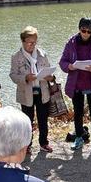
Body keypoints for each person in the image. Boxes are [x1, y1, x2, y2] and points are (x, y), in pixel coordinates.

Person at [59, 17, 91, 150]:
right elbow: (62, 62)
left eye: (89, 31)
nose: (86, 33)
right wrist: (69, 66)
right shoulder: (71, 43)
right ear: (79, 29)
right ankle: (79, 138)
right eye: (83, 30)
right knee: (78, 113)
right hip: (76, 84)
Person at [9, 26, 55, 155]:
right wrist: (25, 78)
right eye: (29, 42)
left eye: (34, 42)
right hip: (26, 93)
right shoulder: (16, 57)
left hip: (42, 91)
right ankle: (27, 145)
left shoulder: (42, 54)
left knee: (43, 119)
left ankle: (44, 143)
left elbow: (49, 72)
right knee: (27, 121)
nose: (32, 45)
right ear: (22, 41)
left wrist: (50, 76)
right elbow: (12, 75)